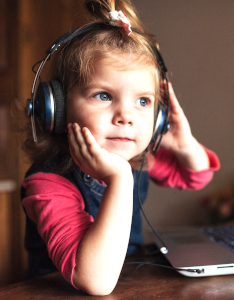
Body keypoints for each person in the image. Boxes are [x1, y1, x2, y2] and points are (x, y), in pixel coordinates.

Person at [20, 0, 220, 296]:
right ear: (57, 110)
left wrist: (183, 144)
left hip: (129, 285)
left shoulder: (141, 157)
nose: (126, 116)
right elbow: (95, 280)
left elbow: (196, 176)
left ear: (159, 114)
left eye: (143, 101)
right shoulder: (48, 184)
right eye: (103, 95)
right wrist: (119, 179)